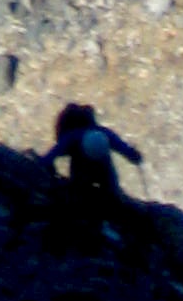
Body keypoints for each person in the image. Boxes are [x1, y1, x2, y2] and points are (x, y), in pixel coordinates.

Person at [45, 101, 144, 237]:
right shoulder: (77, 138)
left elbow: (49, 157)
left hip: (87, 165)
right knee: (94, 191)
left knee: (91, 191)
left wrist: (48, 167)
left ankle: (97, 218)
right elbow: (124, 149)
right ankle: (101, 220)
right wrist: (134, 156)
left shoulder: (83, 138)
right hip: (90, 164)